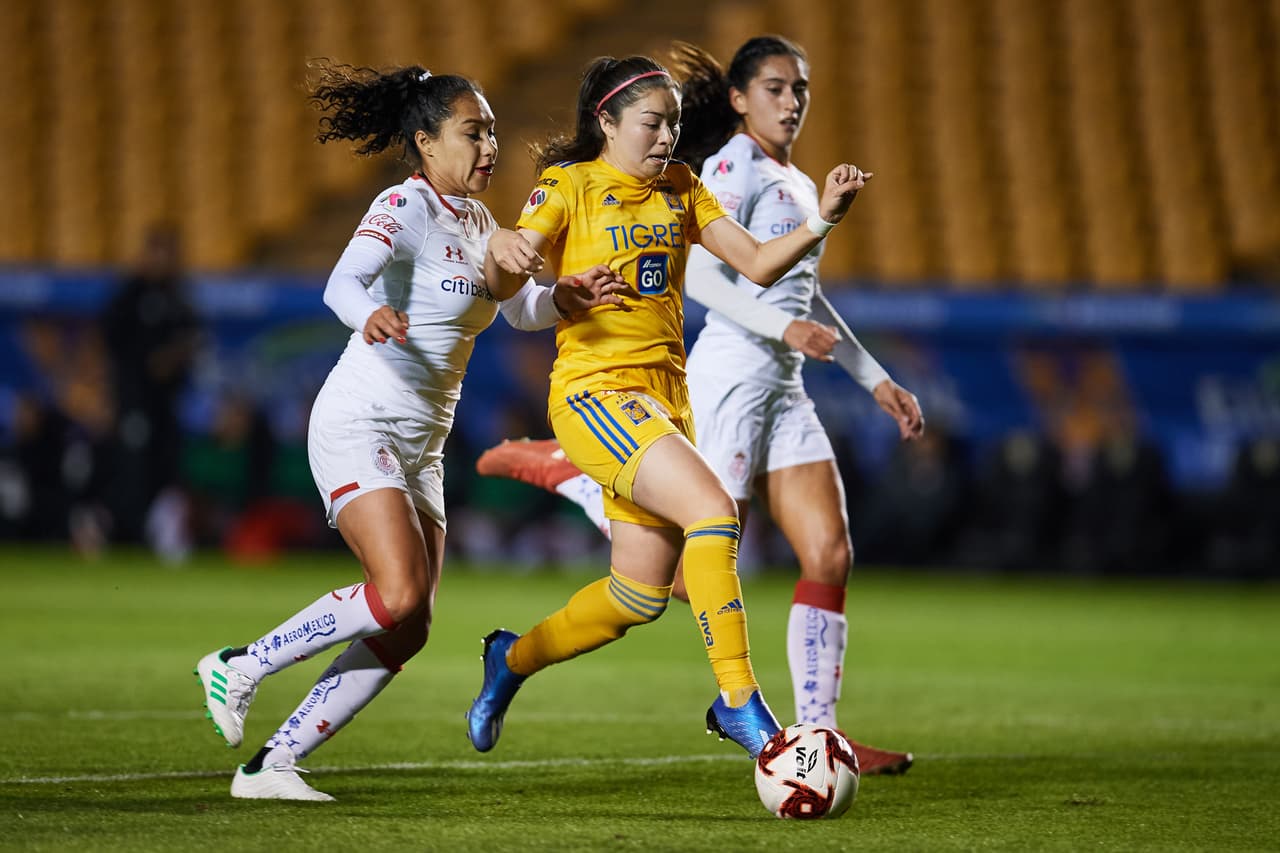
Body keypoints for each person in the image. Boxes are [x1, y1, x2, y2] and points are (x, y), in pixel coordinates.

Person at [473, 37, 925, 774]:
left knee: (639, 595)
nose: (666, 136)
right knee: (716, 514)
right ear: (607, 122)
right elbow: (507, 273)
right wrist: (524, 268)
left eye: (674, 122)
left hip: (666, 402)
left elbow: (753, 262)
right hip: (596, 394)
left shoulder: (683, 183)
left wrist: (826, 218)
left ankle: (510, 658)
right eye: (651, 123)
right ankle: (745, 706)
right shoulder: (569, 185)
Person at [192, 61, 625, 802]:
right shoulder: (406, 205)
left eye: (490, 130)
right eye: (472, 131)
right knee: (394, 591)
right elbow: (341, 283)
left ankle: (272, 764)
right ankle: (241, 662)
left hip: (422, 444)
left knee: (410, 622)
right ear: (426, 141)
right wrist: (371, 315)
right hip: (361, 418)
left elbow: (518, 311)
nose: (489, 145)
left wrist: (566, 297)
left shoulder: (480, 221)